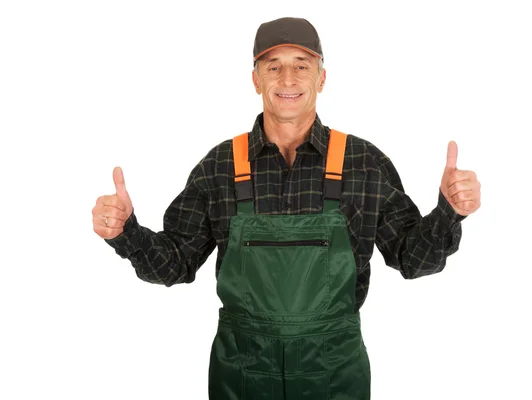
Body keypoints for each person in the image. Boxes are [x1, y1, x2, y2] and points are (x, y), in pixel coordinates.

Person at [92, 16, 481, 400]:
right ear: (256, 79)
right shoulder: (221, 165)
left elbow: (412, 260)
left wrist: (449, 211)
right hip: (242, 374)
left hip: (334, 373)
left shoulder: (363, 162)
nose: (288, 79)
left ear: (322, 78)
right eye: (273, 66)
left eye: (302, 65)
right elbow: (175, 264)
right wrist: (126, 232)